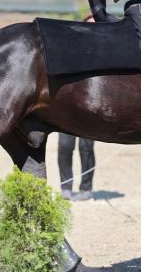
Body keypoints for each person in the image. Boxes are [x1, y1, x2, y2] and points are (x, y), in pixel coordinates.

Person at [58, 13, 97, 201]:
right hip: (68, 108)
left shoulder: (104, 53)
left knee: (86, 147)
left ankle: (86, 188)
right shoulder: (72, 50)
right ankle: (65, 186)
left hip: (90, 108)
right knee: (65, 146)